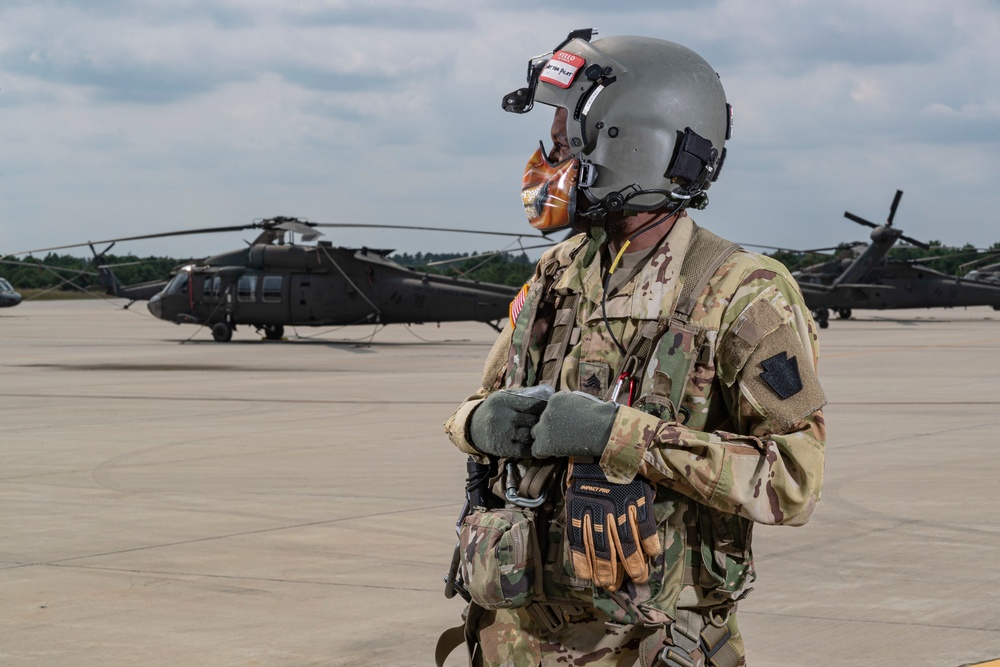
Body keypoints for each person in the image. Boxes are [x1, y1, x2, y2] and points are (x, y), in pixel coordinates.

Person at [442, 29, 826, 667]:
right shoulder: (559, 272)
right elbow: (482, 402)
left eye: (569, 133)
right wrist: (474, 423)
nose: (550, 151)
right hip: (513, 638)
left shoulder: (740, 291)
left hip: (646, 646)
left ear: (636, 143)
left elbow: (793, 481)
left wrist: (619, 435)